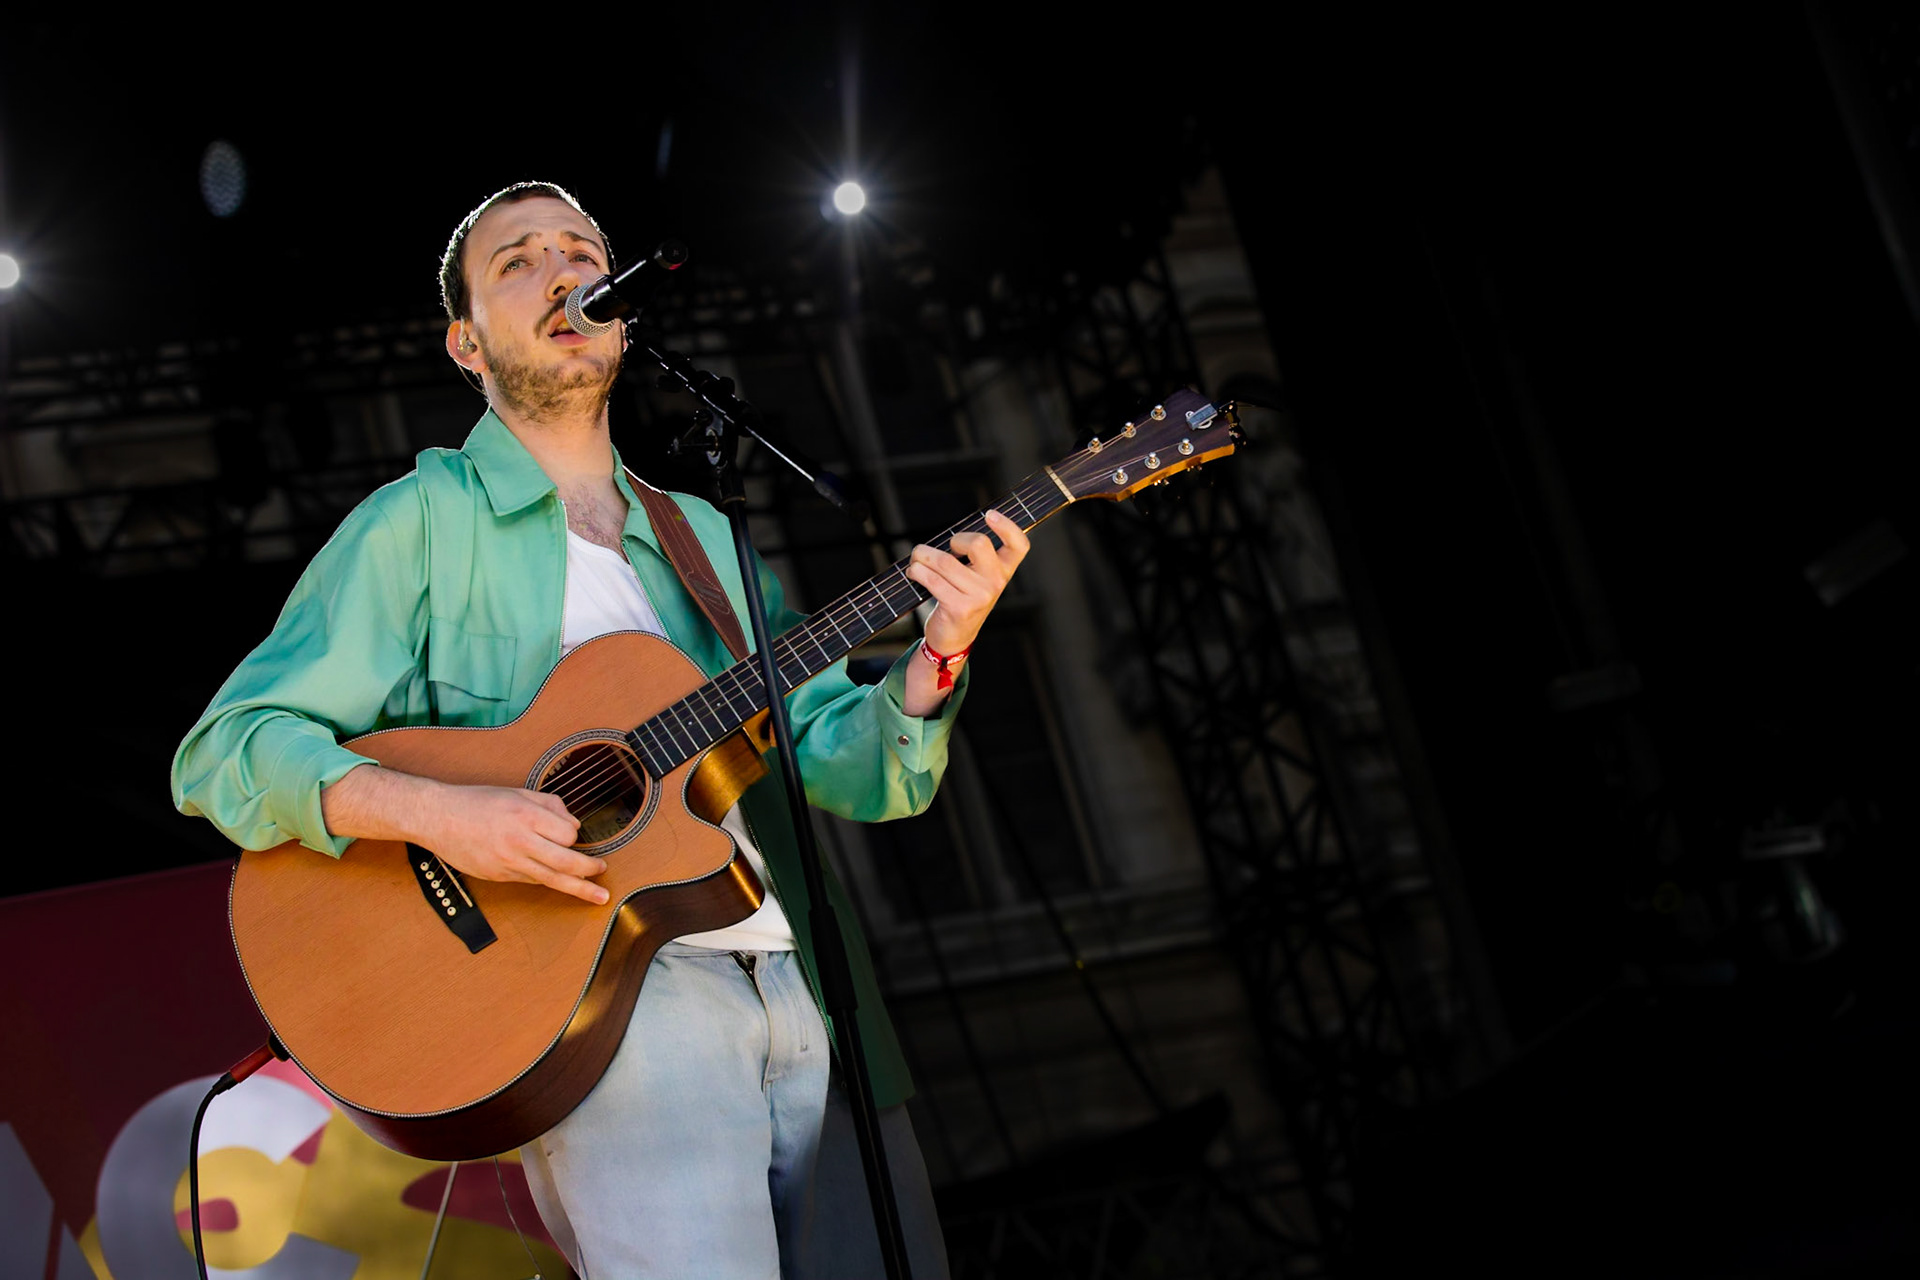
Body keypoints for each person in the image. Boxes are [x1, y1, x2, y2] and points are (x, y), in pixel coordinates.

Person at [170, 181, 1029, 1278]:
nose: (564, 272)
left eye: (582, 251)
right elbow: (227, 751)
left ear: (622, 316)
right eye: (518, 261)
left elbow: (850, 764)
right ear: (467, 344)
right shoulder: (417, 525)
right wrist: (446, 816)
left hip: (806, 989)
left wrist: (939, 649)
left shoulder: (701, 531)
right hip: (612, 1018)